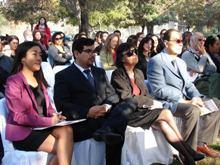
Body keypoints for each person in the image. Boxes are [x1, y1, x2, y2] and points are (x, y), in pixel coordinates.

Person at [111, 42, 205, 164]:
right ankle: (187, 151)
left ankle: (187, 157)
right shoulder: (118, 73)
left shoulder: (138, 72)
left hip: (142, 111)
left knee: (163, 124)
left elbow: (144, 94)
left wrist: (149, 103)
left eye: (135, 51)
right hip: (128, 113)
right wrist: (150, 102)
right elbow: (126, 97)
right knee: (165, 113)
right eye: (129, 53)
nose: (134, 54)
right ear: (121, 58)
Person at [54, 38, 136, 165]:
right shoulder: (64, 76)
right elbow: (62, 104)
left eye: (94, 51)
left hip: (106, 114)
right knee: (117, 127)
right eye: (88, 51)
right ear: (76, 53)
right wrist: (88, 112)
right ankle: (107, 132)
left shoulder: (99, 72)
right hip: (84, 120)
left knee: (130, 102)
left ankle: (106, 129)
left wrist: (106, 106)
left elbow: (113, 95)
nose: (93, 55)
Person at [147, 29, 220, 158]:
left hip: (185, 99)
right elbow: (158, 90)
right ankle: (187, 153)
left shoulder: (180, 62)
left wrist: (196, 96)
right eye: (177, 41)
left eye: (182, 41)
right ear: (166, 43)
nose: (181, 44)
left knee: (216, 104)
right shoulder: (156, 61)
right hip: (166, 102)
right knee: (192, 110)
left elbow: (189, 85)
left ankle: (200, 143)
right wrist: (185, 101)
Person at [5, 41, 73, 165]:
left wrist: (55, 116)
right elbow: (18, 117)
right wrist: (49, 121)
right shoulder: (13, 81)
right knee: (64, 148)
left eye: (40, 55)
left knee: (67, 130)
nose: (39, 58)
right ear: (22, 59)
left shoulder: (39, 80)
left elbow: (48, 108)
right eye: (34, 54)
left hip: (43, 127)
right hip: (24, 132)